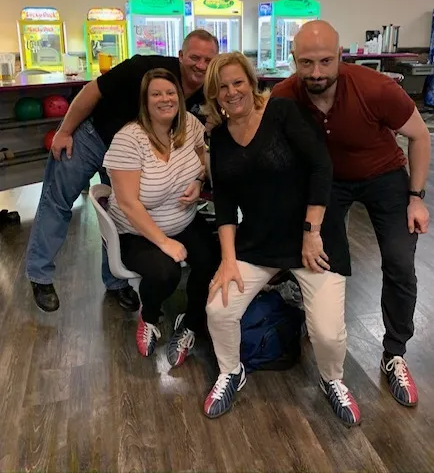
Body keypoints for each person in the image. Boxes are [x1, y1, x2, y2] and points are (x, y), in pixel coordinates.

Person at [271, 20, 431, 408]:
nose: (316, 72)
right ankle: (317, 322)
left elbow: (420, 135)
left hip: (384, 176)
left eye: (326, 61)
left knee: (399, 261)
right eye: (306, 63)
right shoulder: (284, 95)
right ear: (293, 59)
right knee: (319, 256)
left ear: (340, 56)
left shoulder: (376, 89)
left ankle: (395, 353)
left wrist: (416, 197)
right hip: (328, 183)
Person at [202, 52, 361, 426]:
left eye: (238, 82)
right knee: (218, 309)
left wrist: (312, 232)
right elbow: (224, 204)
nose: (232, 92)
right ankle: (231, 371)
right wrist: (228, 260)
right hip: (260, 241)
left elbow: (322, 166)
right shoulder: (219, 138)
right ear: (214, 95)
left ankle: (332, 380)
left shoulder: (282, 112)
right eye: (223, 87)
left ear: (251, 82)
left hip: (314, 240)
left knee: (327, 334)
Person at [25, 30, 219, 313]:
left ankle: (116, 282)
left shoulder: (205, 89)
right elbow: (92, 90)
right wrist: (64, 131)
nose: (200, 65)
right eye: (195, 57)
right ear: (180, 56)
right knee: (57, 201)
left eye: (208, 60)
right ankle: (40, 274)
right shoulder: (144, 69)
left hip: (133, 157)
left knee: (115, 215)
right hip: (93, 137)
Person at [103, 68, 219, 363]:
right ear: (145, 101)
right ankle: (150, 316)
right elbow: (128, 203)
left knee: (211, 261)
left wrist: (199, 182)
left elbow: (201, 161)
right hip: (137, 230)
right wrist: (165, 242)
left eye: (170, 93)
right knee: (166, 272)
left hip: (184, 218)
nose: (165, 99)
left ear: (179, 97)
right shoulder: (128, 140)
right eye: (156, 94)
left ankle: (190, 322)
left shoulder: (189, 124)